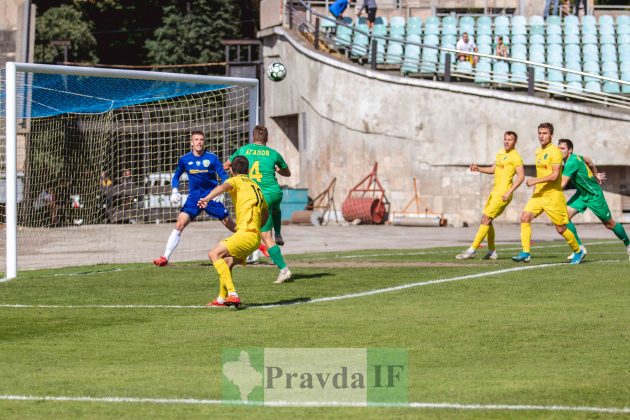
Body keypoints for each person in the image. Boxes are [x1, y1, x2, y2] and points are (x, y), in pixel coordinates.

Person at [153, 131, 235, 266]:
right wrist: (174, 191)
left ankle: (255, 244)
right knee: (179, 224)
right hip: (194, 199)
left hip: (211, 198)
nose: (199, 142)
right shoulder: (185, 159)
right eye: (196, 139)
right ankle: (165, 257)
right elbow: (176, 177)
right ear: (191, 142)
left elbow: (224, 176)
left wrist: (222, 191)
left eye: (201, 139)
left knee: (232, 226)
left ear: (204, 142)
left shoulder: (212, 158)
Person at [225, 125, 292, 284]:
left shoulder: (243, 150)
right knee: (275, 209)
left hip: (261, 196)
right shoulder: (273, 153)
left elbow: (227, 165)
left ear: (252, 138)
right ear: (267, 139)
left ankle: (284, 270)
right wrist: (276, 169)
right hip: (276, 192)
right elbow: (287, 173)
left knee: (264, 236)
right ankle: (279, 233)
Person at [199, 156, 268, 308]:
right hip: (255, 238)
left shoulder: (236, 181)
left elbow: (223, 187)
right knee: (227, 262)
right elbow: (265, 214)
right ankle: (221, 299)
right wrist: (257, 229)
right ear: (248, 171)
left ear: (231, 170)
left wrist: (207, 198)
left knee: (213, 254)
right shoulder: (256, 186)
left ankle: (233, 294)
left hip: (245, 234)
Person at [512, 123, 583, 264]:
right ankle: (526, 252)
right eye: (539, 133)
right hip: (539, 195)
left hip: (553, 196)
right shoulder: (538, 152)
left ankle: (578, 251)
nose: (541, 136)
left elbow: (555, 175)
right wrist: (536, 187)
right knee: (525, 217)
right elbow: (542, 172)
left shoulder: (555, 152)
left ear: (551, 135)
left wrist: (535, 180)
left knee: (561, 228)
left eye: (544, 133)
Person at [456, 131, 525, 260]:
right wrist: (478, 168)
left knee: (485, 219)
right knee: (488, 220)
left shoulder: (515, 156)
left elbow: (521, 177)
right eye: (505, 139)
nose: (506, 141)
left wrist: (509, 191)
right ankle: (492, 251)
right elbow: (493, 169)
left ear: (515, 142)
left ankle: (471, 250)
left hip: (503, 194)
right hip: (495, 193)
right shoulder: (500, 153)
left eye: (510, 139)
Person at [558, 139, 630, 261]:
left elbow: (562, 185)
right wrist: (596, 174)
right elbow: (589, 160)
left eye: (562, 148)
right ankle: (579, 249)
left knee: (609, 224)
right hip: (581, 194)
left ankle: (628, 244)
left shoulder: (571, 162)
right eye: (558, 148)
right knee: (563, 217)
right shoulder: (576, 157)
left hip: (594, 195)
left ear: (570, 150)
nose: (559, 151)